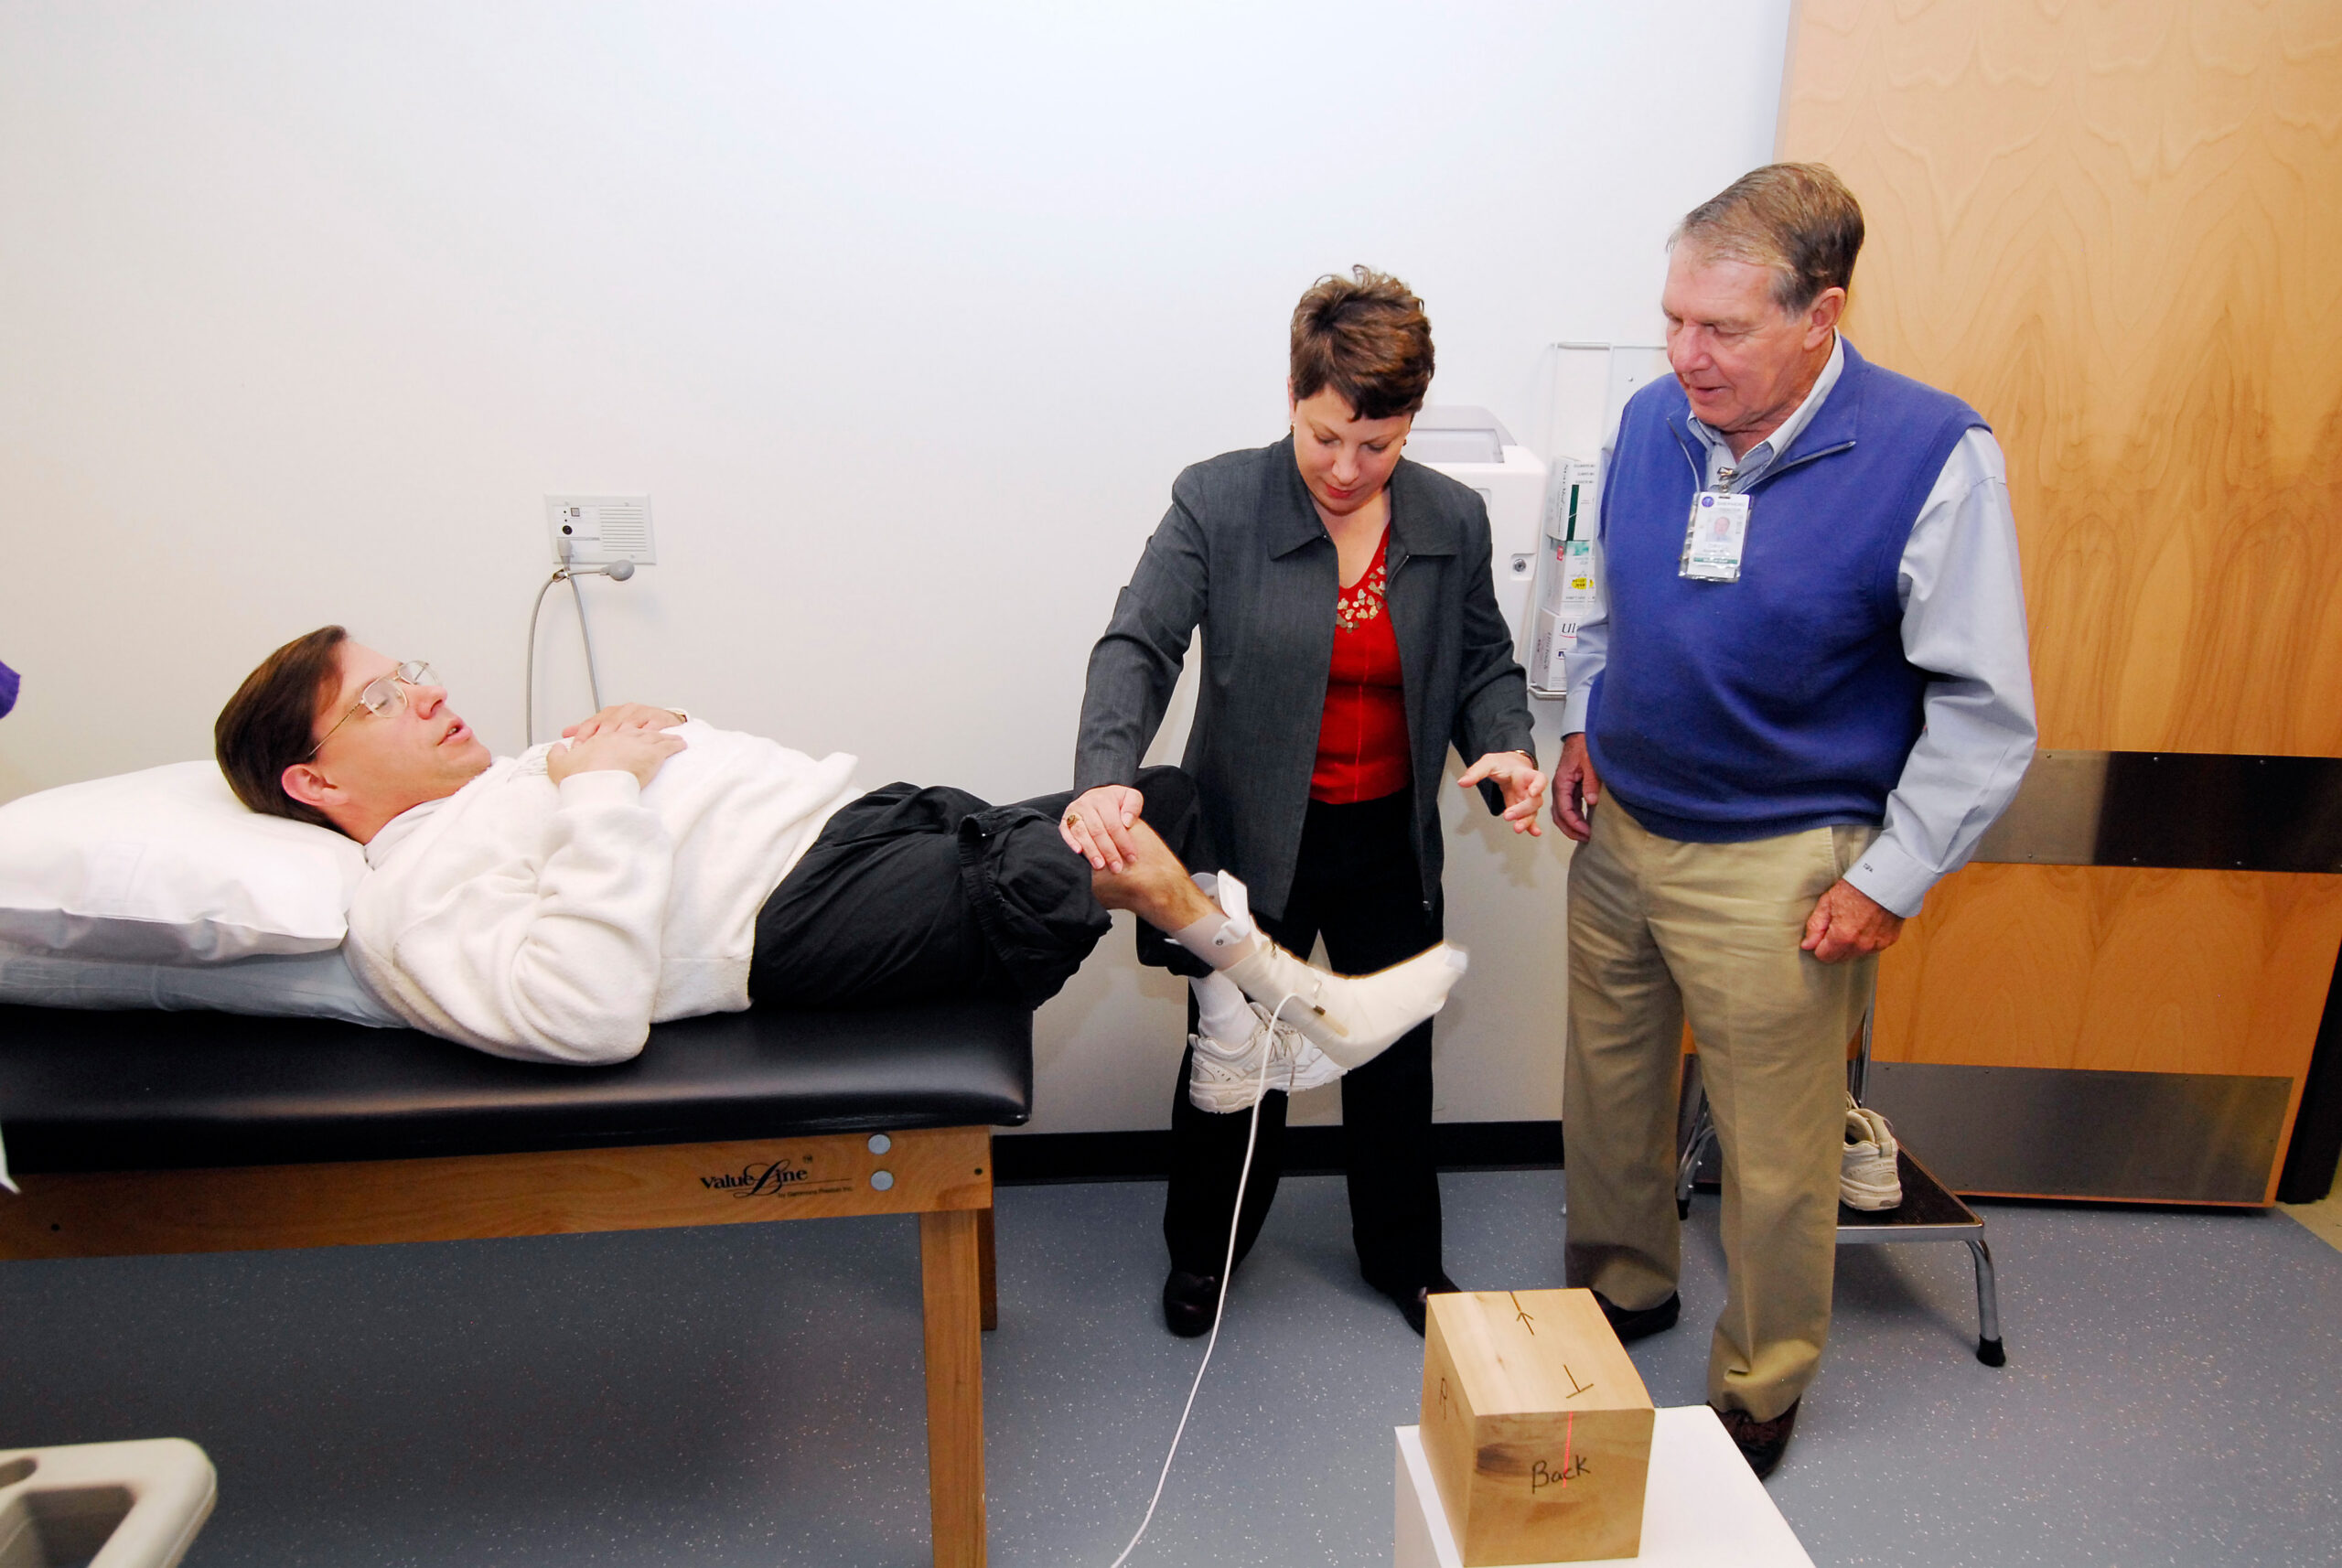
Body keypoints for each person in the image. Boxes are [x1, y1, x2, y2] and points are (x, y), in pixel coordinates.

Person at [1552, 164, 2036, 1477]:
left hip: (1782, 856)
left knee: (1773, 1150)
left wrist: (1891, 875)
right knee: (1607, 1090)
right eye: (1672, 319)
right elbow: (1602, 587)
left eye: (1720, 329)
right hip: (1629, 822)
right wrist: (1583, 715)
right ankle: (1625, 1278)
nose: (1682, 355)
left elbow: (1988, 711)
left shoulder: (1932, 454)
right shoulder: (1657, 421)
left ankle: (1762, 1381)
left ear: (1820, 314)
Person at [211, 627, 1467, 1066]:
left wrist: (617, 749)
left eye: (408, 673)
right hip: (789, 920)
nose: (425, 696)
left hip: (852, 825)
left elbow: (651, 788)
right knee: (1050, 875)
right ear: (314, 779)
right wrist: (599, 785)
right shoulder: (405, 892)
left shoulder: (510, 782)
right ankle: (1297, 1006)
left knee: (1162, 797)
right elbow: (582, 1011)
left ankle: (1250, 1030)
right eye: (381, 699)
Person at [1066, 268, 1546, 1337]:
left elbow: (1481, 662)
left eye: (1376, 445)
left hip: (1385, 840)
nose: (1345, 466)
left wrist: (1508, 747)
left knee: (1392, 1060)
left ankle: (1405, 1259)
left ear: (1409, 424)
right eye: (1326, 435)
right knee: (1234, 1063)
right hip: (1252, 844)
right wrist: (1109, 768)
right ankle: (1207, 1253)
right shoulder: (1218, 499)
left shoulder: (1450, 517)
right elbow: (1138, 641)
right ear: (1294, 393)